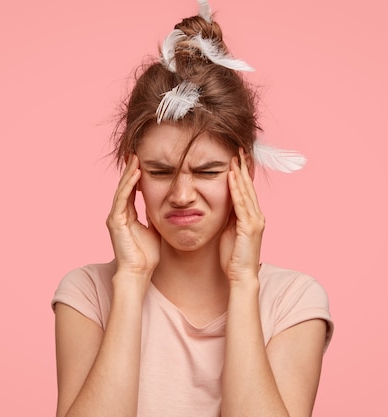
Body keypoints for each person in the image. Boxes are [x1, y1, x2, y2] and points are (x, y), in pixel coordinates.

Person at [51, 2, 333, 416]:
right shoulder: (88, 294)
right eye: (161, 171)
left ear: (244, 169)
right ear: (134, 170)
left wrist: (242, 282)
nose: (182, 195)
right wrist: (130, 280)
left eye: (206, 171)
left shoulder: (292, 302)